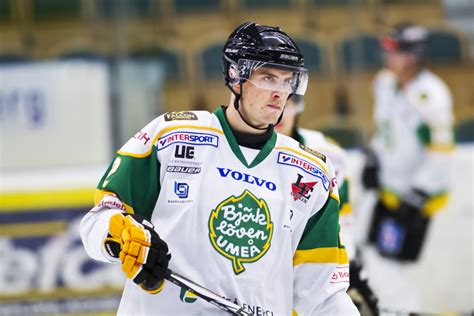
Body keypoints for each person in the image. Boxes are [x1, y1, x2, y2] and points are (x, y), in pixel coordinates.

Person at [80, 22, 359, 315]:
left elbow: (322, 294)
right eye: (268, 78)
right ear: (235, 75)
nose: (280, 93)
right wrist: (119, 234)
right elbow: (99, 221)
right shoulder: (171, 137)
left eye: (287, 81)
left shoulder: (312, 172)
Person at [361, 23, 454, 310]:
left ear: (414, 55)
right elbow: (385, 128)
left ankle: (404, 310)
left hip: (412, 199)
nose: (389, 58)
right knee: (367, 255)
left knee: (391, 264)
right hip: (388, 189)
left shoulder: (430, 94)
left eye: (396, 52)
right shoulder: (385, 83)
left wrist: (420, 193)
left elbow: (440, 149)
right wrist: (374, 157)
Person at [276, 95, 379, 315]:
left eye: (290, 102)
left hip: (313, 262)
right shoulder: (241, 152)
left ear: (299, 105)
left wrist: (347, 268)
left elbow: (340, 220)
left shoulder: (326, 153)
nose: (282, 110)